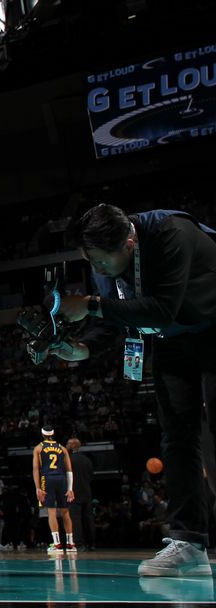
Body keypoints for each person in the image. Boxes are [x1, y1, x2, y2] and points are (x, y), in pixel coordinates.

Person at [63, 204, 216, 577]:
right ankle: (189, 543)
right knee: (177, 438)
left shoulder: (170, 234)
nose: (96, 268)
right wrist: (83, 347)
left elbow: (161, 308)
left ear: (129, 243)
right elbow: (119, 311)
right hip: (175, 340)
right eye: (91, 261)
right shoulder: (106, 254)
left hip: (213, 327)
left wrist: (93, 306)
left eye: (101, 261)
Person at [32, 426, 75, 554]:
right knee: (65, 511)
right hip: (61, 478)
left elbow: (35, 469)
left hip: (47, 478)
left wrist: (37, 487)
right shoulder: (62, 448)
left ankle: (57, 544)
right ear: (53, 434)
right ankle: (70, 543)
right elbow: (69, 470)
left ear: (42, 434)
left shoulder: (39, 448)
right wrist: (70, 488)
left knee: (51, 512)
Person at [66, 437, 96, 551]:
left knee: (76, 518)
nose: (67, 445)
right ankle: (91, 543)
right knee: (88, 518)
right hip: (87, 492)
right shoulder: (87, 460)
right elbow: (90, 476)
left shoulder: (69, 459)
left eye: (68, 444)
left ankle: (79, 544)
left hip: (74, 492)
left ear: (74, 445)